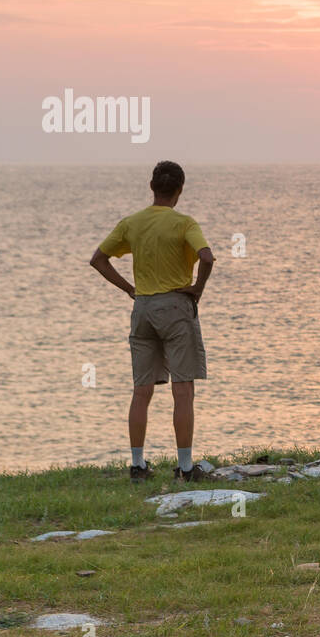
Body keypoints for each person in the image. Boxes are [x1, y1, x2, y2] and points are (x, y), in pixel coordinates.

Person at [90, 161, 216, 481]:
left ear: (152, 187)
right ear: (180, 190)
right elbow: (207, 257)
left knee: (141, 391)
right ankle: (186, 469)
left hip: (143, 309)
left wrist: (130, 289)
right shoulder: (184, 223)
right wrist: (197, 290)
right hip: (176, 307)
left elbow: (98, 260)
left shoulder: (132, 223)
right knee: (182, 389)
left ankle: (137, 466)